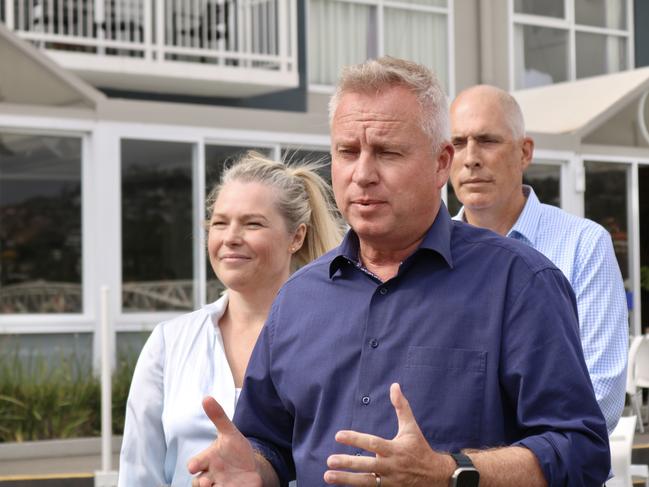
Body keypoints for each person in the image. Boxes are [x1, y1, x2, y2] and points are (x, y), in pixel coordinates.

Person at [188, 57, 610, 487]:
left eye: (387, 152)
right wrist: (252, 468)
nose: (363, 174)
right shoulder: (298, 298)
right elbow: (269, 442)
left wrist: (452, 472)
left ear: (441, 163)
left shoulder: (520, 283)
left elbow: (581, 450)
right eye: (347, 152)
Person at [118, 152, 343, 486]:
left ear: (296, 237)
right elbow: (139, 473)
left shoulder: (333, 340)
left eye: (252, 223)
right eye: (220, 223)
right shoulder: (170, 342)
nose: (230, 237)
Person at [448, 84, 628, 435]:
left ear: (525, 152)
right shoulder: (433, 253)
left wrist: (493, 461)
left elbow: (600, 397)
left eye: (487, 141)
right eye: (457, 143)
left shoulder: (583, 245)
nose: (470, 157)